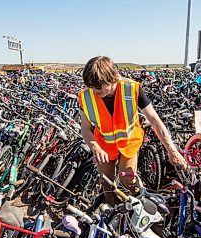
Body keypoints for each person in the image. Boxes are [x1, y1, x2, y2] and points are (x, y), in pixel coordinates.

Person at [77, 56, 188, 203]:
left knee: (127, 179)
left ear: (112, 78)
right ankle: (111, 212)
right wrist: (95, 147)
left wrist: (172, 150)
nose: (94, 90)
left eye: (98, 86)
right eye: (90, 86)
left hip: (129, 143)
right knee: (106, 183)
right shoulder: (86, 96)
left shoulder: (132, 89)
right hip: (104, 146)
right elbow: (85, 129)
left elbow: (154, 121)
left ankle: (142, 206)